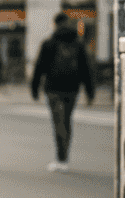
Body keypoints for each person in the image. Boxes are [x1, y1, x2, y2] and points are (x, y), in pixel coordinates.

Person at [31, 12, 95, 172]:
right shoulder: (78, 43)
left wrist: (34, 88)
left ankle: (61, 159)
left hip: (53, 88)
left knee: (58, 122)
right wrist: (90, 92)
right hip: (72, 88)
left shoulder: (49, 43)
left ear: (55, 24)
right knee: (66, 120)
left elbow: (39, 67)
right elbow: (86, 69)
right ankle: (64, 157)